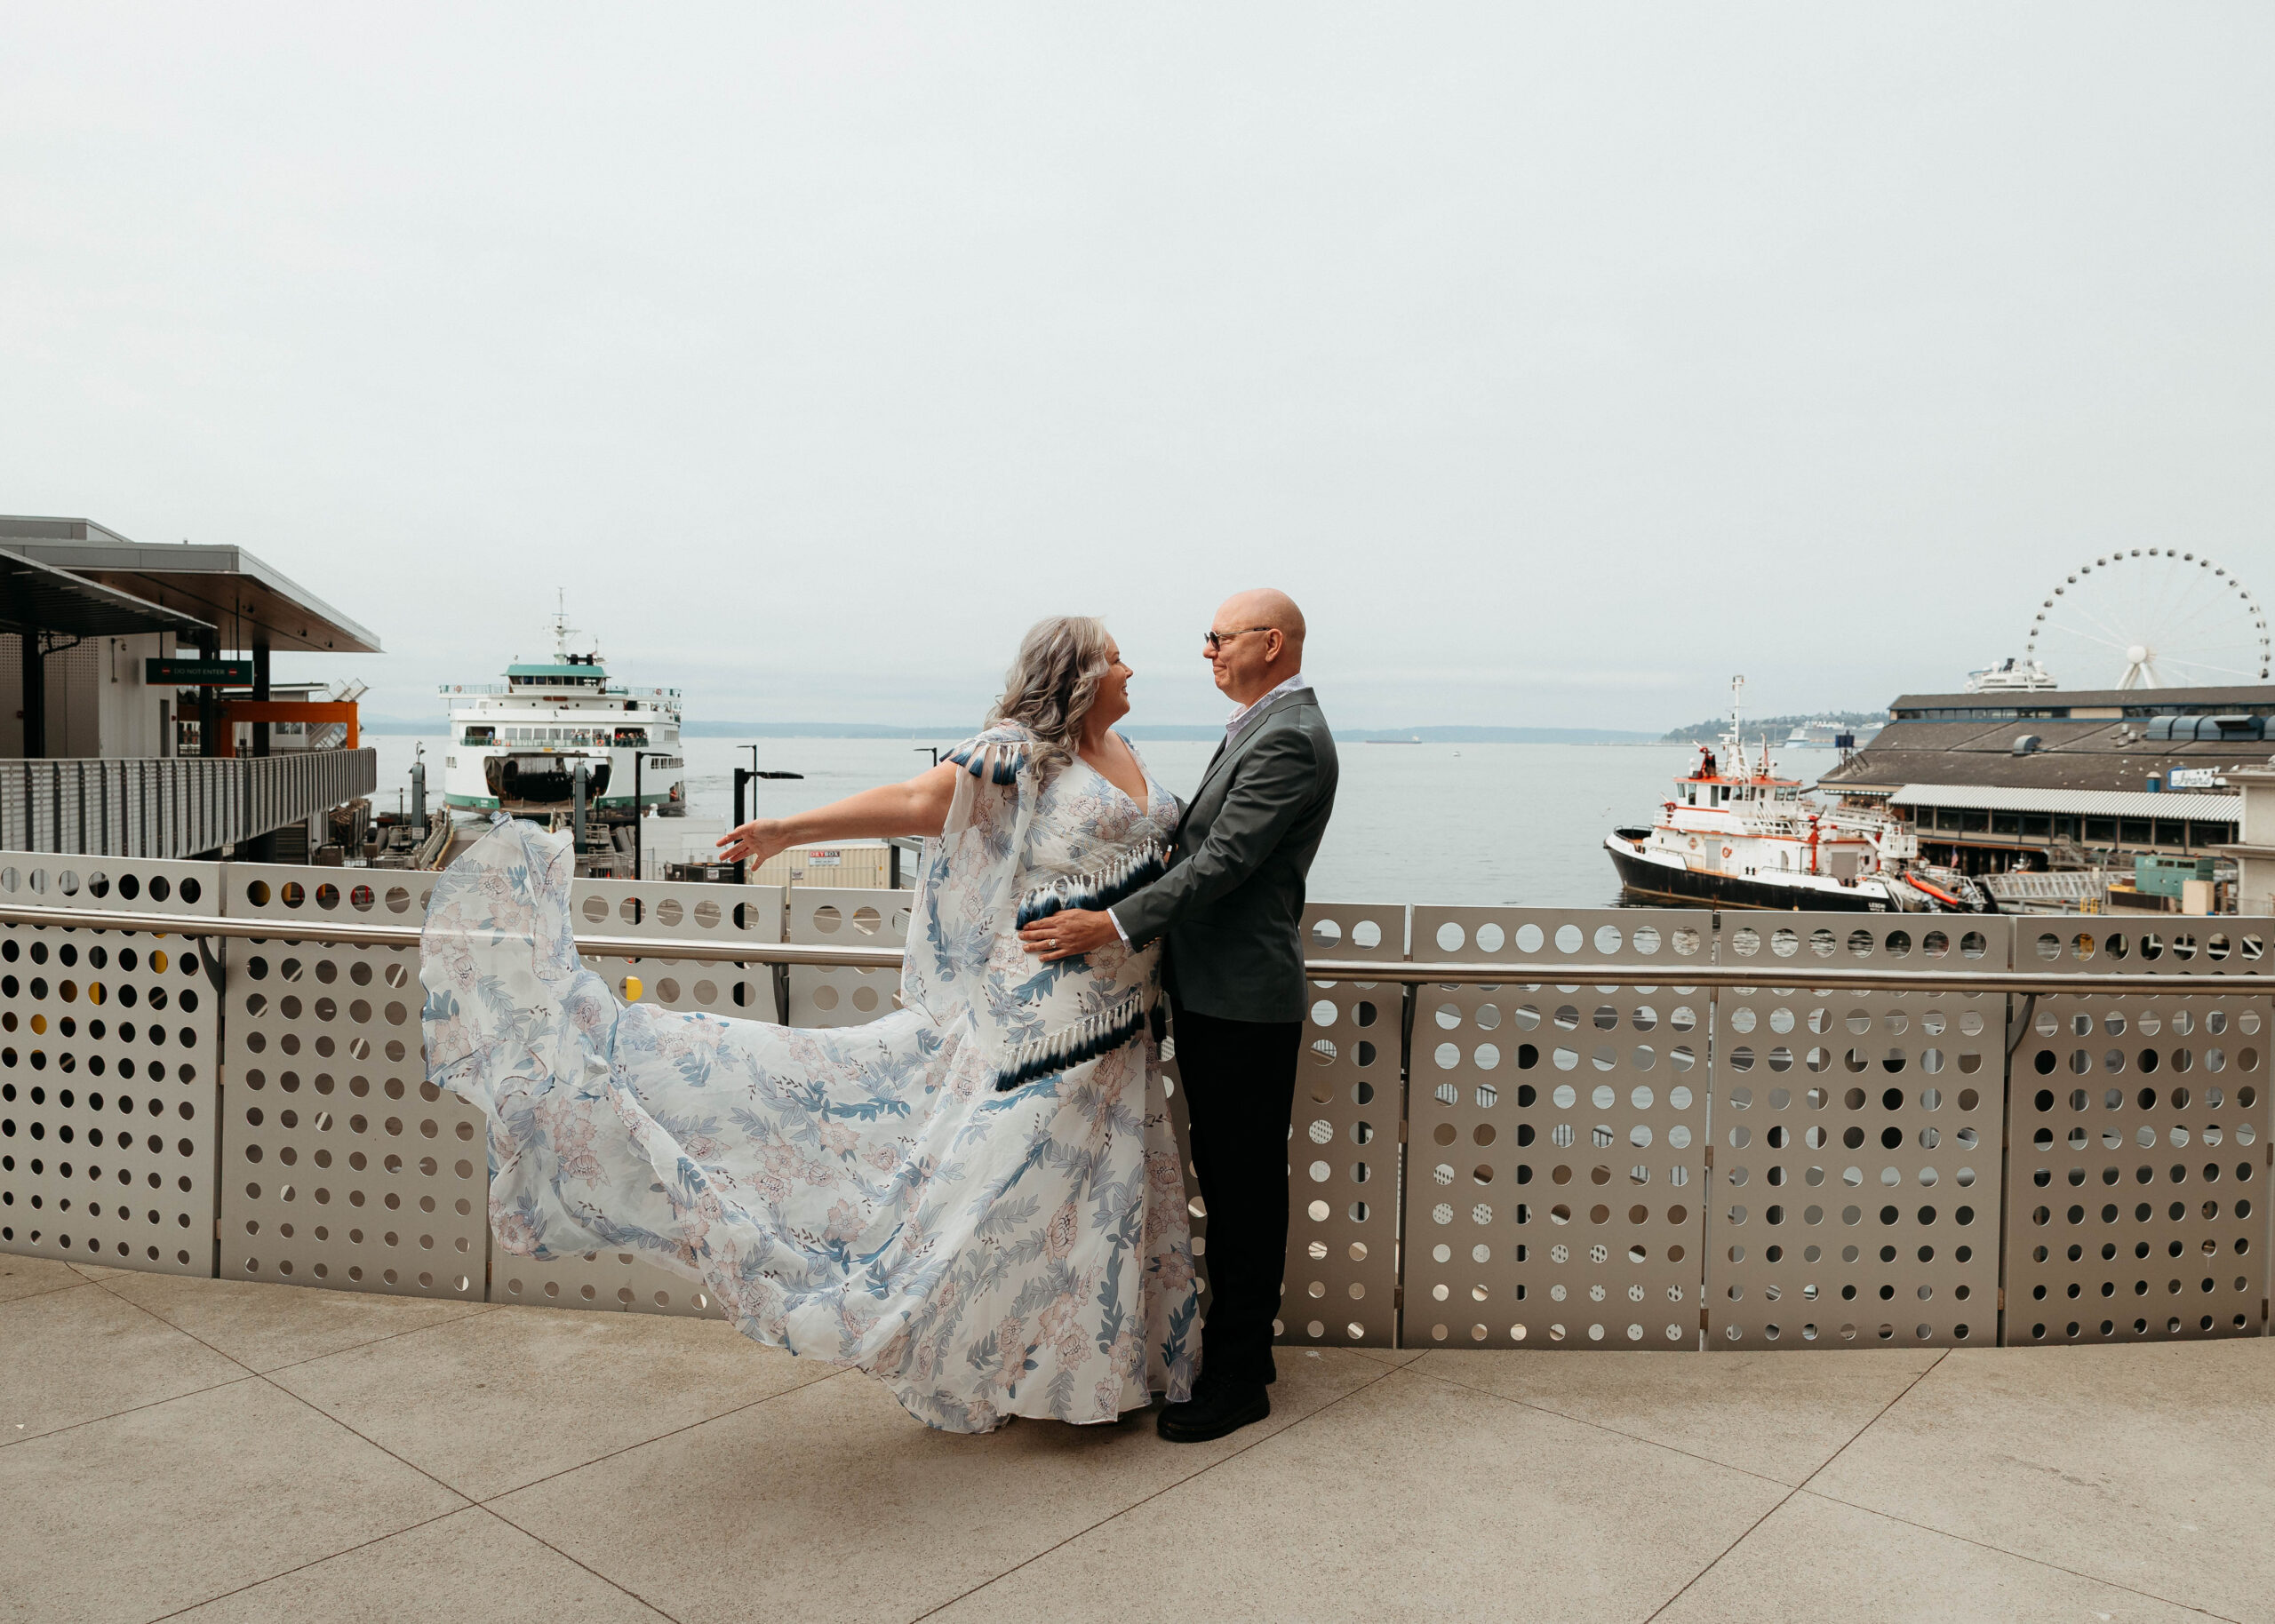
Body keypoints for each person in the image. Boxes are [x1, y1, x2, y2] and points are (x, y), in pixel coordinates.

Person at [419, 617, 1197, 1434]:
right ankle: (1002, 1371)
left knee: (1091, 1196)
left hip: (1122, 1023)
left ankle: (1090, 1376)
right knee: (1011, 1200)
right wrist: (791, 829)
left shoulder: (1131, 754)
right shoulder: (1019, 753)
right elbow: (912, 803)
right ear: (1078, 674)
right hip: (1039, 1025)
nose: (1130, 668)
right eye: (1116, 658)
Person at [1020, 589, 1337, 1443]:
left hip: (1243, 999)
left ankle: (1240, 1376)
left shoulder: (1290, 738)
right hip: (1210, 994)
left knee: (1242, 1188)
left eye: (1217, 637)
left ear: (1270, 644)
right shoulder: (1260, 726)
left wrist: (1112, 922)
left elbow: (1226, 860)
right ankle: (1242, 1356)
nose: (1206, 652)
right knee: (1231, 1181)